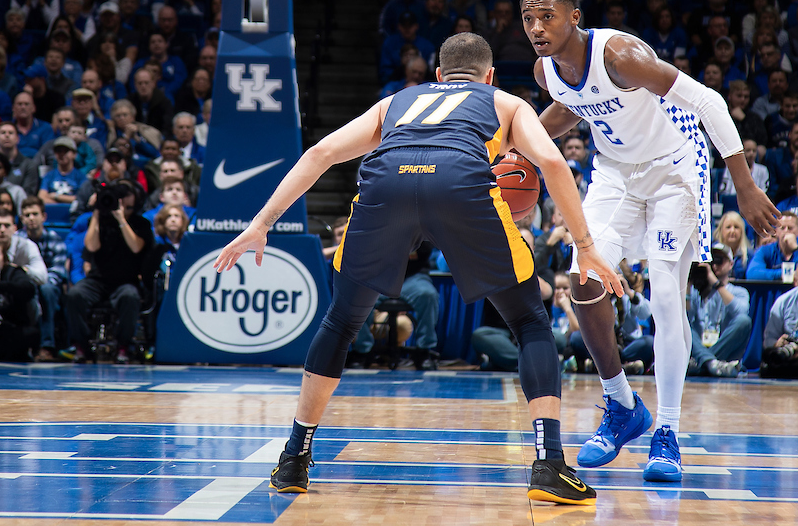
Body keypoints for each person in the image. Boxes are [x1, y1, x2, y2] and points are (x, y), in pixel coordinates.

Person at [215, 32, 619, 503]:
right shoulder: (505, 102)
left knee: (342, 321)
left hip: (386, 180)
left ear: (437, 76)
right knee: (529, 322)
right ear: (489, 76)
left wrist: (261, 224)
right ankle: (549, 463)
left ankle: (293, 461)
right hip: (461, 182)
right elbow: (550, 159)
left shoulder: (396, 102)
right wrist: (585, 244)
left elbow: (320, 153)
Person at [521, 0, 778, 482]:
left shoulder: (621, 55)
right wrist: (515, 145)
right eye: (528, 18)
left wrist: (743, 184)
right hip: (616, 174)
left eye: (546, 16)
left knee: (664, 295)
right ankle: (621, 405)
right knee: (583, 278)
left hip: (675, 170)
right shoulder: (545, 71)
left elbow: (709, 102)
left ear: (574, 17)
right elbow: (570, 110)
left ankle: (668, 432)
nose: (536, 27)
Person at [62, 180, 155, 364]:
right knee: (74, 294)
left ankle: (123, 346)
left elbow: (136, 247)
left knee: (130, 296)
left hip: (126, 281)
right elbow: (91, 246)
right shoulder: (99, 220)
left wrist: (121, 220)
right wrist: (96, 212)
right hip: (98, 280)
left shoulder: (140, 223)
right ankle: (83, 345)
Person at [686, 245, 751, 377]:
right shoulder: (696, 292)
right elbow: (686, 317)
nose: (715, 265)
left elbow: (741, 312)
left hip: (723, 351)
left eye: (719, 260)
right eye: (712, 261)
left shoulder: (739, 292)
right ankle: (711, 364)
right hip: (699, 348)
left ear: (731, 264)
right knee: (683, 323)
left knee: (744, 321)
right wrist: (689, 282)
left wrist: (716, 284)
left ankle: (704, 364)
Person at [20, 198, 70, 362]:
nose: (31, 218)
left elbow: (58, 272)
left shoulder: (54, 239)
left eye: (35, 214)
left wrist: (37, 280)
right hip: (23, 283)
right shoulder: (18, 241)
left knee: (46, 290)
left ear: (44, 217)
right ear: (22, 219)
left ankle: (47, 346)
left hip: (47, 284)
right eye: (27, 215)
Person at [747, 212, 798, 280]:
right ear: (776, 231)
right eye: (782, 228)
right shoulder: (765, 250)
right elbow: (752, 274)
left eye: (790, 228)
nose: (786, 231)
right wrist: (784, 274)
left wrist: (796, 250)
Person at [40, 136, 85, 204]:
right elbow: (41, 197)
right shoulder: (49, 176)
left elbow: (81, 199)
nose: (62, 154)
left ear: (74, 154)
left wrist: (56, 196)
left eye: (66, 151)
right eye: (59, 151)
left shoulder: (81, 177)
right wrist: (59, 206)